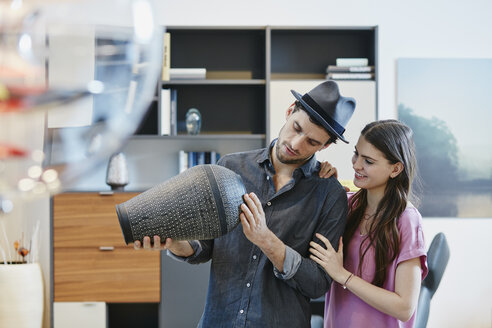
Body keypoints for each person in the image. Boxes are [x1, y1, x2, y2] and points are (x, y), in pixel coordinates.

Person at [135, 80, 357, 327]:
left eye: (312, 142)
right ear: (290, 110)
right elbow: (204, 246)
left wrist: (267, 241)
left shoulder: (329, 194)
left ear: (325, 146)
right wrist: (175, 243)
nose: (296, 144)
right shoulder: (230, 167)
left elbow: (317, 283)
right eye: (296, 128)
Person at [309, 119, 428, 328]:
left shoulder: (407, 220)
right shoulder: (347, 205)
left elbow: (404, 307)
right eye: (356, 154)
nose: (356, 165)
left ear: (395, 169)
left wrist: (342, 275)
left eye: (368, 161)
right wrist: (322, 185)